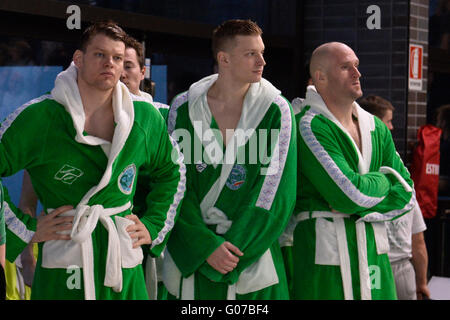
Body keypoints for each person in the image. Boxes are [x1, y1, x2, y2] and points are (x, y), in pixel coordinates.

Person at [1, 21, 185, 300]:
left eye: (118, 58)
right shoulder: (40, 118)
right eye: (100, 55)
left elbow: (173, 170)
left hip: (121, 260)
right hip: (64, 257)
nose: (110, 64)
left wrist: (153, 224)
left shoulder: (144, 117)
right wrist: (24, 228)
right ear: (78, 59)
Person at [164, 19, 297, 300]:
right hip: (192, 255)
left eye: (262, 53)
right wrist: (203, 246)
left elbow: (275, 194)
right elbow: (173, 185)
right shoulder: (184, 108)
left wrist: (233, 251)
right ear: (223, 59)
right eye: (251, 54)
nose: (261, 61)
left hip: (249, 257)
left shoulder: (276, 110)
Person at [292, 42, 416, 300]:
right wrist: (385, 180)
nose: (357, 74)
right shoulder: (309, 125)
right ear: (321, 77)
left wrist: (360, 198)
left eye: (357, 66)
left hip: (374, 255)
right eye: (345, 67)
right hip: (323, 260)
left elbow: (407, 196)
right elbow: (348, 194)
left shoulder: (376, 127)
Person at [359, 95, 430, 300]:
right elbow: (418, 242)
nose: (391, 127)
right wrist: (422, 282)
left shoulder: (397, 173)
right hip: (380, 265)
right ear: (372, 122)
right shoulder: (389, 174)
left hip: (375, 266)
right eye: (388, 121)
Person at [121, 34, 170, 300]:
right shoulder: (88, 115)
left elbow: (177, 179)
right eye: (118, 64)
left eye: (128, 65)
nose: (121, 73)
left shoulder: (164, 116)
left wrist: (153, 227)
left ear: (143, 72)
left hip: (149, 239)